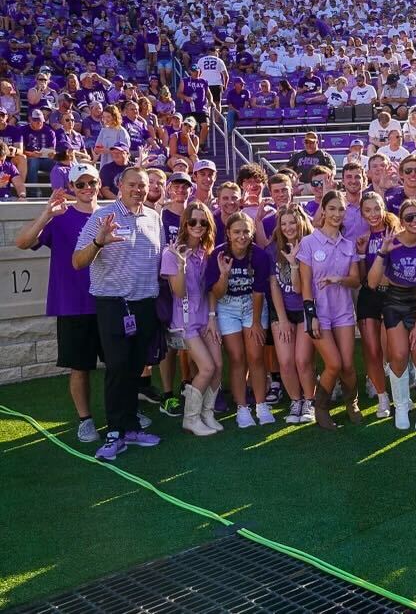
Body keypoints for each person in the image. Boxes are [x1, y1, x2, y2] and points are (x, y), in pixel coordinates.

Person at [73, 166, 163, 460]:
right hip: (113, 304)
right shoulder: (101, 217)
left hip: (145, 304)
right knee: (117, 366)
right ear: (120, 186)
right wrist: (99, 241)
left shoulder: (154, 217)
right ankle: (115, 431)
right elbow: (77, 261)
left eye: (143, 185)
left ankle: (131, 426)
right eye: (133, 184)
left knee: (136, 366)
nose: (138, 189)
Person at [14, 164, 103, 442]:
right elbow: (22, 242)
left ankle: (125, 414)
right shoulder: (61, 217)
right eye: (81, 184)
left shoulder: (110, 215)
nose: (87, 189)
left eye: (92, 183)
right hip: (74, 305)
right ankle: (85, 420)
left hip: (108, 302)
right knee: (80, 367)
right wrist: (46, 214)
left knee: (121, 363)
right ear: (72, 188)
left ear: (99, 184)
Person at [368, 199, 416, 430]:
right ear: (402, 220)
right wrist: (381, 253)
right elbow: (371, 282)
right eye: (409, 217)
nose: (415, 221)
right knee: (397, 355)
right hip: (394, 300)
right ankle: (401, 405)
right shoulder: (391, 242)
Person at [298, 190, 362, 429]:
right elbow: (304, 285)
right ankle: (321, 408)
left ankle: (351, 403)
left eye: (341, 209)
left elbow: (356, 280)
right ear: (322, 210)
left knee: (347, 364)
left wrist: (339, 279)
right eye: (332, 208)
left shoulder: (348, 244)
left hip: (343, 311)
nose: (336, 214)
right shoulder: (309, 242)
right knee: (333, 364)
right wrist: (311, 315)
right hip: (319, 314)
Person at [160, 202, 223, 436]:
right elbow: (178, 292)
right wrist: (181, 263)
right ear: (185, 223)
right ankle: (191, 418)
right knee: (206, 368)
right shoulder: (171, 252)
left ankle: (207, 413)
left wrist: (213, 318)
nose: (198, 226)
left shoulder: (207, 253)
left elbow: (211, 290)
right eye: (193, 221)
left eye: (203, 222)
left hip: (205, 317)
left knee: (218, 367)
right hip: (184, 321)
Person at [206, 212, 274, 428]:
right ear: (228, 233)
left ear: (252, 232)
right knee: (236, 358)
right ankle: (242, 407)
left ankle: (261, 404)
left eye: (246, 231)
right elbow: (214, 294)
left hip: (252, 306)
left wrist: (255, 322)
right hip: (226, 307)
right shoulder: (218, 255)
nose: (242, 236)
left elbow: (259, 292)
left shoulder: (260, 256)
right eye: (237, 232)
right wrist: (224, 274)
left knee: (256, 357)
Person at [267, 204, 317, 426]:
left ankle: (309, 401)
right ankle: (295, 401)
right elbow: (274, 287)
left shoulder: (311, 245)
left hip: (306, 309)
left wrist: (295, 264)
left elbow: (298, 289)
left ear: (301, 222)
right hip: (283, 312)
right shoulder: (273, 249)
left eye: (292, 222)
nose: (288, 227)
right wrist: (283, 319)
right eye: (283, 223)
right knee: (285, 362)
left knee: (302, 360)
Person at [354, 192, 398, 418]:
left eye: (376, 209)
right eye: (367, 210)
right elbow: (363, 278)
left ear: (384, 208)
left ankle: (401, 395)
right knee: (371, 351)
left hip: (392, 296)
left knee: (392, 351)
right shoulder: (363, 239)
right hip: (369, 296)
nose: (372, 214)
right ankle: (383, 398)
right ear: (362, 213)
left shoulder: (396, 234)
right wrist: (361, 254)